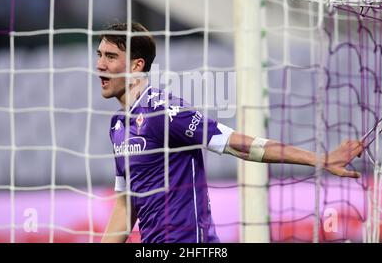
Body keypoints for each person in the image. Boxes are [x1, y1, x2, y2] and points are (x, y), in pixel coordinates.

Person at [98, 22, 364, 243]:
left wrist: (319, 159)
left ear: (136, 66)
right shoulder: (118, 126)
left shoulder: (163, 111)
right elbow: (125, 205)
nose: (100, 64)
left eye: (110, 57)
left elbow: (239, 144)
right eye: (99, 55)